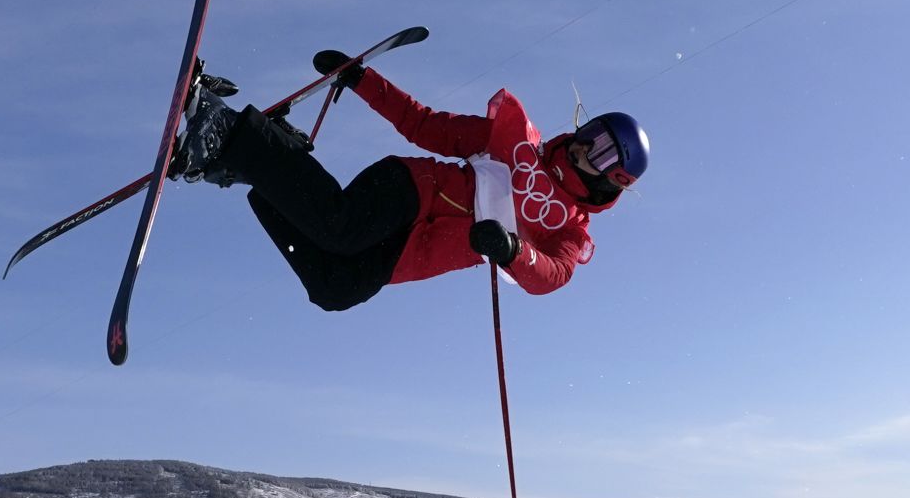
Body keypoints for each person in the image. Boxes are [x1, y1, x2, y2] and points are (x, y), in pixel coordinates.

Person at [168, 50, 649, 310]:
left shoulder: (569, 231)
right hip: (410, 191)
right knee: (341, 226)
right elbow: (425, 124)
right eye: (592, 130)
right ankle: (230, 132)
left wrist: (512, 250)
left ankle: (261, 160)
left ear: (615, 178)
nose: (586, 145)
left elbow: (552, 276)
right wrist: (363, 80)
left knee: (334, 288)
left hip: (414, 253)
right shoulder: (514, 140)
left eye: (603, 150)